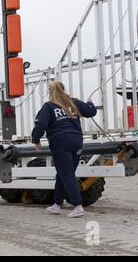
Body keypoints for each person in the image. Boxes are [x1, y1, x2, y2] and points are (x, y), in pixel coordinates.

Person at [31, 82, 97, 218]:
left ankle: (78, 206)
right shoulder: (74, 103)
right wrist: (90, 103)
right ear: (63, 89)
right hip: (77, 141)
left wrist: (36, 139)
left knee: (66, 174)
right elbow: (91, 112)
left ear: (50, 92)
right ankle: (57, 204)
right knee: (63, 173)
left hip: (60, 142)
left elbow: (41, 123)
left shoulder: (49, 106)